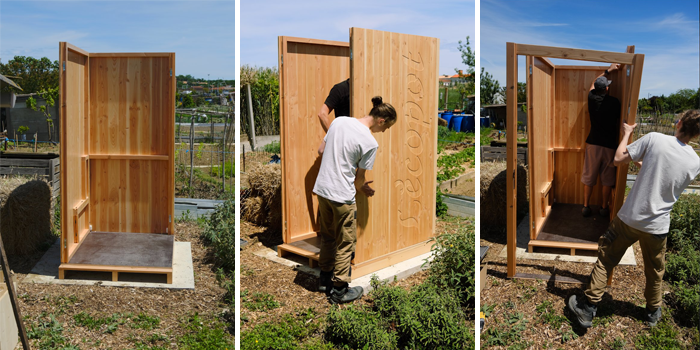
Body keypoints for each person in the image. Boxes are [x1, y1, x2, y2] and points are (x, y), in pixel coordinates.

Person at [569, 110, 700, 328]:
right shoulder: (695, 162)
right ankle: (652, 312)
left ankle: (588, 308)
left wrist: (626, 134)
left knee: (606, 259)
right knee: (655, 271)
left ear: (679, 123)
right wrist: (644, 164)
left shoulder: (655, 138)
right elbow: (665, 175)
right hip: (657, 226)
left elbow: (618, 159)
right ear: (696, 135)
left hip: (630, 219)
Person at [313, 96, 397, 304]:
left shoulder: (339, 121)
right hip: (341, 196)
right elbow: (358, 180)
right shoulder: (369, 143)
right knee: (346, 242)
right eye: (387, 127)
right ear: (381, 120)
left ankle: (325, 279)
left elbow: (321, 150)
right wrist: (364, 189)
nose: (385, 132)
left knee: (328, 236)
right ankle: (340, 290)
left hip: (322, 189)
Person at [581, 63, 622, 217]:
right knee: (607, 179)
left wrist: (607, 71)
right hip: (610, 145)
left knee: (589, 176)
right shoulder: (615, 102)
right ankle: (604, 207)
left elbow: (593, 83)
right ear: (606, 89)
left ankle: (586, 206)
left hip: (593, 143)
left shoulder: (592, 98)